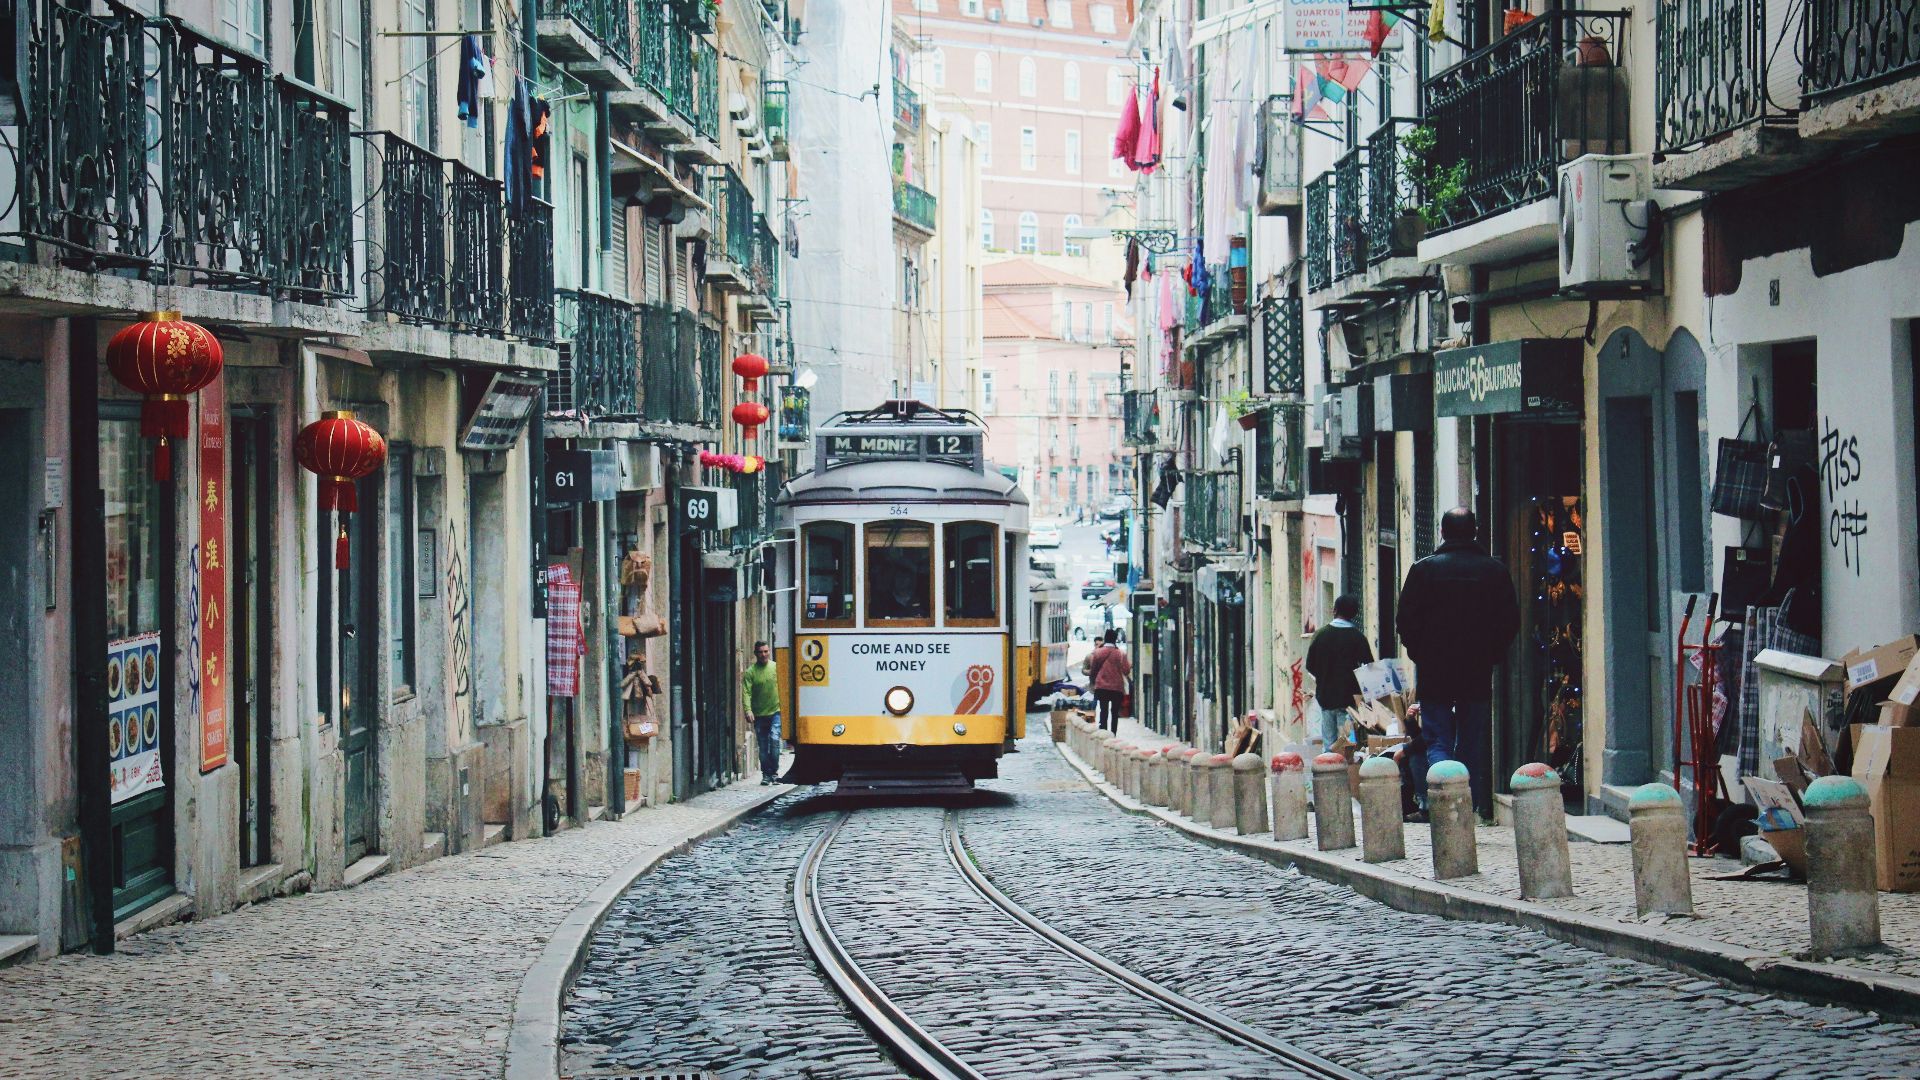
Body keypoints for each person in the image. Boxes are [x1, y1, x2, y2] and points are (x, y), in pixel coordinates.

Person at [1396, 507, 1520, 820]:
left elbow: (1405, 620)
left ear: (1442, 531)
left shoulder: (1424, 570)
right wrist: (1492, 653)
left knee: (1437, 738)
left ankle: (1441, 805)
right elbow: (1509, 621)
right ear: (1475, 531)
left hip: (1435, 670)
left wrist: (1419, 652)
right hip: (1476, 669)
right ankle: (1468, 808)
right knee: (1470, 739)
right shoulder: (1494, 571)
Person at [1304, 594, 1372, 752]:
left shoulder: (1320, 635)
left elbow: (1310, 665)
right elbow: (1369, 668)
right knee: (1347, 744)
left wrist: (1324, 678)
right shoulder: (1358, 638)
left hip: (1326, 698)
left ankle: (1328, 771)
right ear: (1354, 614)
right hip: (1349, 701)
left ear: (1334, 610)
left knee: (1329, 745)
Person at [741, 640, 783, 785]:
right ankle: (766, 774)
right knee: (763, 747)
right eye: (760, 652)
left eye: (766, 651)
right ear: (756, 654)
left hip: (776, 711)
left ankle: (775, 773)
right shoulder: (750, 672)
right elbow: (746, 692)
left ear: (769, 652)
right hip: (759, 714)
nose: (764, 654)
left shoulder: (776, 668)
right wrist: (748, 710)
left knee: (774, 739)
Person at [1083, 629, 1131, 733]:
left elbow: (1094, 670)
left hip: (1102, 687)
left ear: (1105, 638)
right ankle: (1113, 734)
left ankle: (1103, 733)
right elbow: (1126, 670)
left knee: (1103, 711)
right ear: (1115, 639)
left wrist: (1093, 682)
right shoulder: (1121, 654)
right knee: (1115, 713)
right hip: (1117, 687)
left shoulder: (1098, 652)